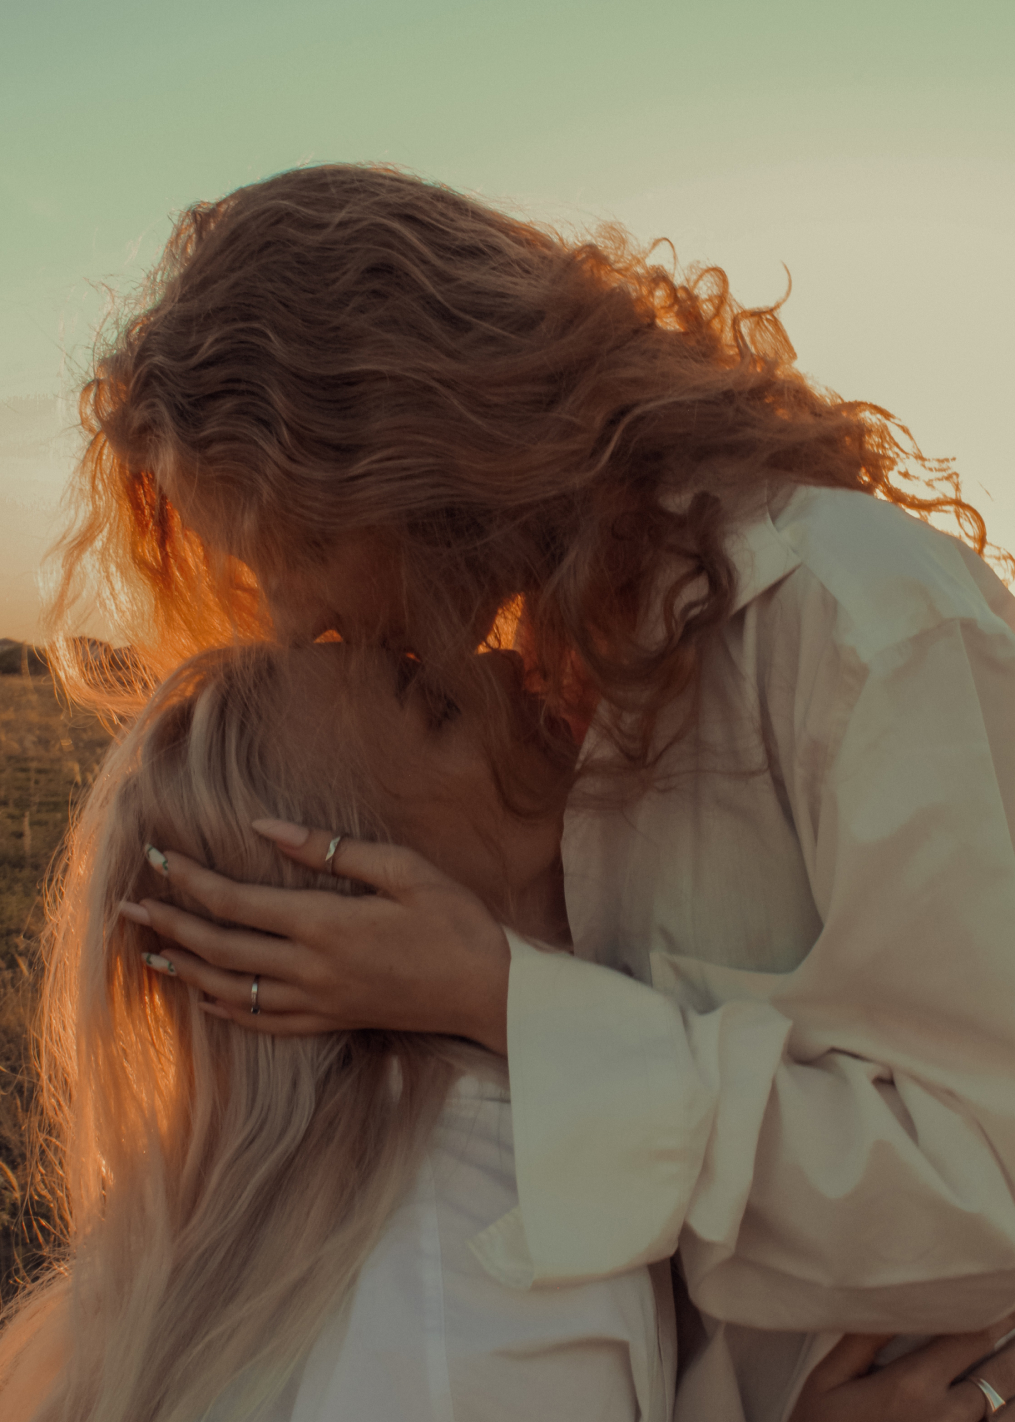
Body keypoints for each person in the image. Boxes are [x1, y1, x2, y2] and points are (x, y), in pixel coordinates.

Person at [44, 164, 1015, 1420]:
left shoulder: (859, 628)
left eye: (287, 547)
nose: (291, 615)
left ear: (406, 449)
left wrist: (512, 1002)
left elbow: (990, 1192)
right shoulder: (570, 686)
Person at [0, 641, 677, 1422]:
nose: (501, 659)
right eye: (440, 709)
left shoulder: (353, 1240)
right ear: (346, 911)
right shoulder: (478, 1262)